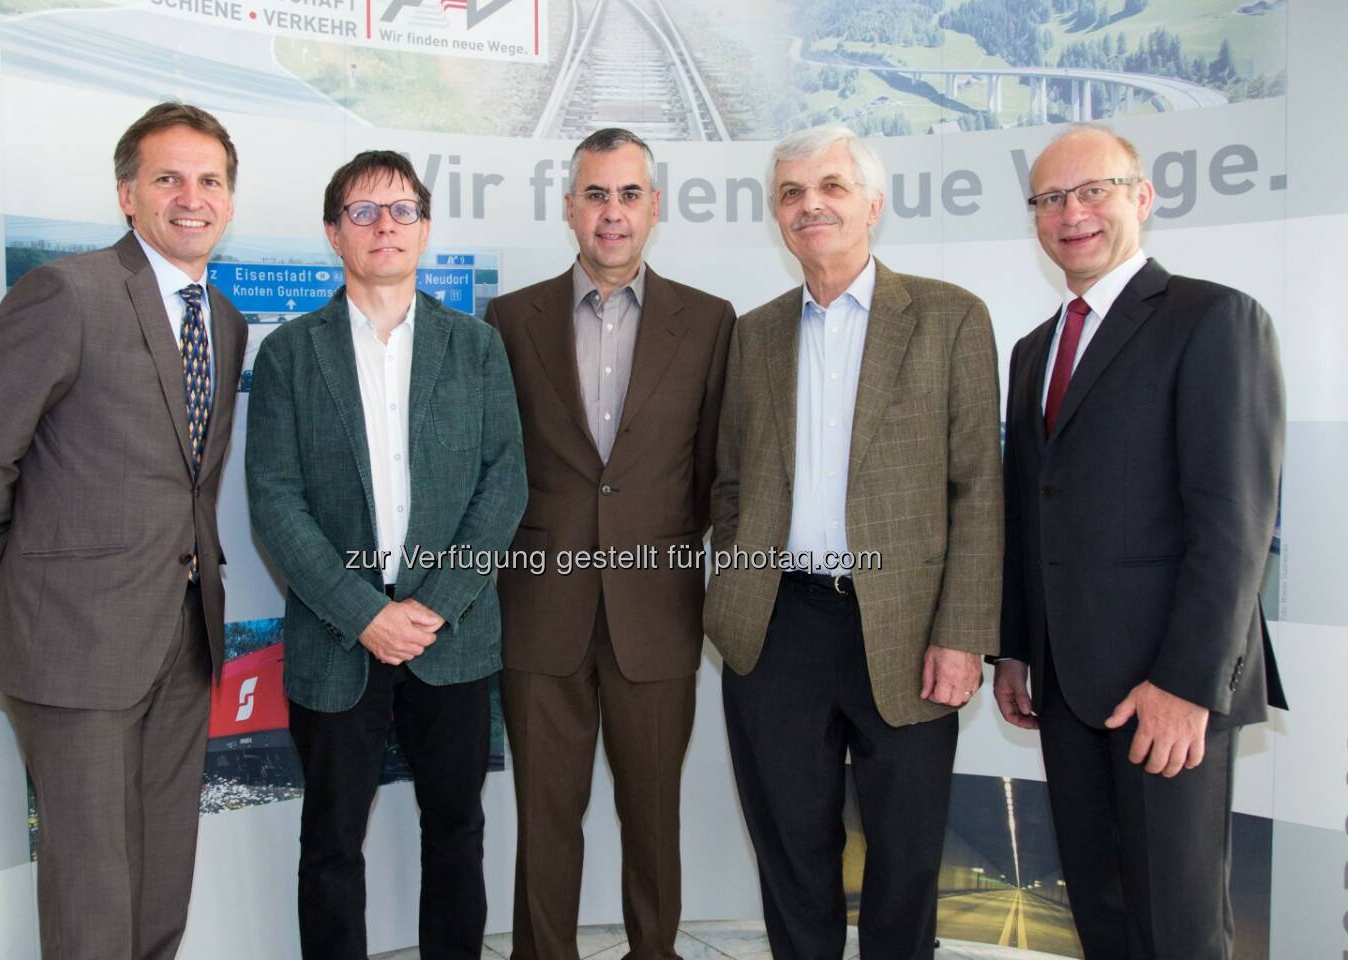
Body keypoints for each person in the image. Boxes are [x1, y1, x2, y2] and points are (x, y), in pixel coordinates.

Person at [0, 101, 245, 960]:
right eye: (168, 178)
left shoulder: (223, 320)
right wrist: (30, 586)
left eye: (210, 179)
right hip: (73, 645)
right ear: (127, 194)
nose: (192, 196)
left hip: (183, 639)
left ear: (228, 198)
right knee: (91, 878)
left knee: (160, 870)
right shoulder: (66, 293)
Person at [704, 124, 1002, 960]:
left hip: (908, 632)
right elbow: (730, 482)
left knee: (905, 856)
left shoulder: (949, 319)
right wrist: (737, 583)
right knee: (792, 852)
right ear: (777, 216)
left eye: (831, 186)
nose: (812, 205)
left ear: (872, 202)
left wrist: (963, 633)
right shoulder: (755, 333)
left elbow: (979, 486)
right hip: (776, 627)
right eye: (793, 193)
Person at [994, 124, 1286, 959]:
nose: (1071, 214)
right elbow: (1031, 510)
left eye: (1093, 191)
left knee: (1178, 928)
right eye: (1050, 199)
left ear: (1142, 197)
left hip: (1168, 693)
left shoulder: (1214, 318)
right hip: (1066, 688)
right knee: (1105, 917)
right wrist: (1017, 650)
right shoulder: (1033, 351)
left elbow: (1235, 523)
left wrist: (1188, 685)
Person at [244, 150, 526, 960]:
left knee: (457, 830)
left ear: (426, 229)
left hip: (454, 638)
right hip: (339, 639)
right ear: (334, 233)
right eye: (363, 213)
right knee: (331, 841)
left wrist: (433, 604)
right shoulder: (292, 354)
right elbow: (276, 499)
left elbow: (504, 483)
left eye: (401, 210)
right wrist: (366, 612)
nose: (384, 226)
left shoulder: (475, 347)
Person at [485, 127, 734, 960]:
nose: (613, 213)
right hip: (541, 607)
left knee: (652, 816)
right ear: (569, 209)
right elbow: (500, 463)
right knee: (544, 816)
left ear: (655, 208)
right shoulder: (510, 319)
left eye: (629, 195)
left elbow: (711, 472)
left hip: (655, 610)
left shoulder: (708, 322)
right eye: (596, 195)